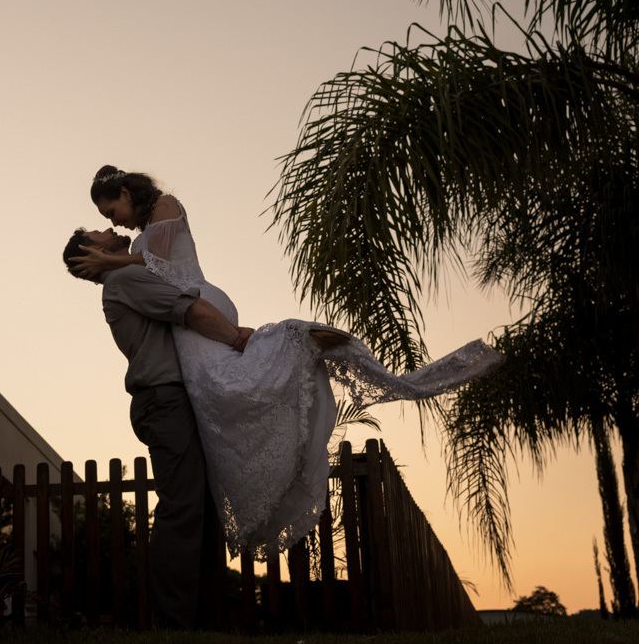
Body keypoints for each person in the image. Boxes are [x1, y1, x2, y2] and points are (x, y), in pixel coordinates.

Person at [69, 166, 503, 559]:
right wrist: (108, 263)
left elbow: (159, 264)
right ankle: (292, 355)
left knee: (235, 383)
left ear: (127, 192)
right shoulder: (124, 273)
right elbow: (150, 271)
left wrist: (107, 260)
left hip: (198, 311)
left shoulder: (160, 211)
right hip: (190, 329)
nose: (113, 223)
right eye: (105, 223)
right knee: (227, 394)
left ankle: (294, 339)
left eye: (111, 211)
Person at [59, 227, 250, 629]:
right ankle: (173, 624)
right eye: (98, 230)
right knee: (182, 508)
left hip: (175, 400)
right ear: (94, 250)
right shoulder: (124, 279)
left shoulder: (125, 276)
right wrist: (237, 338)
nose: (109, 228)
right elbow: (192, 310)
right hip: (164, 402)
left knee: (200, 509)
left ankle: (205, 621)